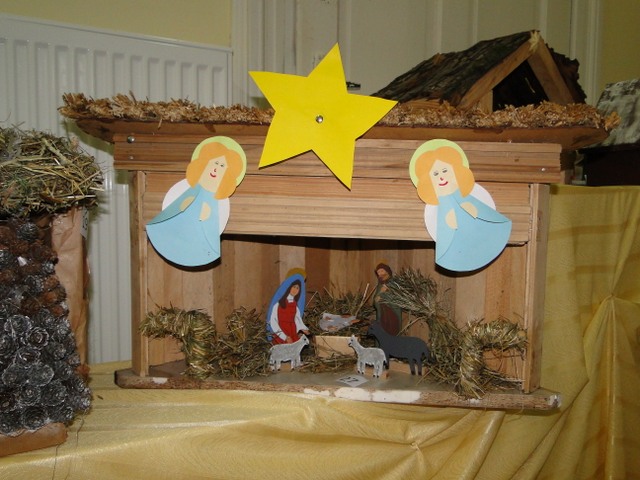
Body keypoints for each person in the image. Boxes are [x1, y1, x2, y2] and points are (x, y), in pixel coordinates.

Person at [410, 139, 511, 272]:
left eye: (444, 170)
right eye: (435, 174)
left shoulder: (472, 193)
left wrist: (474, 210)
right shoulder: (434, 208)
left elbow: (484, 213)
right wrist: (449, 222)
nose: (441, 177)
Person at [146, 136, 246, 267]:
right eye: (215, 163)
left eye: (222, 166)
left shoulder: (220, 200)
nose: (216, 169)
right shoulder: (188, 186)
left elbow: (216, 222)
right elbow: (174, 205)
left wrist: (207, 215)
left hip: (199, 239)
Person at [268, 277, 310, 344]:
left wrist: (304, 329)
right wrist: (284, 337)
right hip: (281, 332)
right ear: (289, 287)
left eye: (297, 288)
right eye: (294, 287)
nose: (295, 290)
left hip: (292, 332)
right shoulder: (278, 304)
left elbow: (297, 319)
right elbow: (273, 321)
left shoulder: (295, 306)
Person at [373, 262, 402, 335]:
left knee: (393, 332)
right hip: (382, 314)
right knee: (382, 333)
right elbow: (376, 301)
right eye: (378, 272)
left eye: (382, 271)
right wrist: (381, 292)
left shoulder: (394, 283)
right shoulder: (380, 285)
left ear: (387, 271)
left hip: (393, 314)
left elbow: (398, 299)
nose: (380, 274)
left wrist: (388, 292)